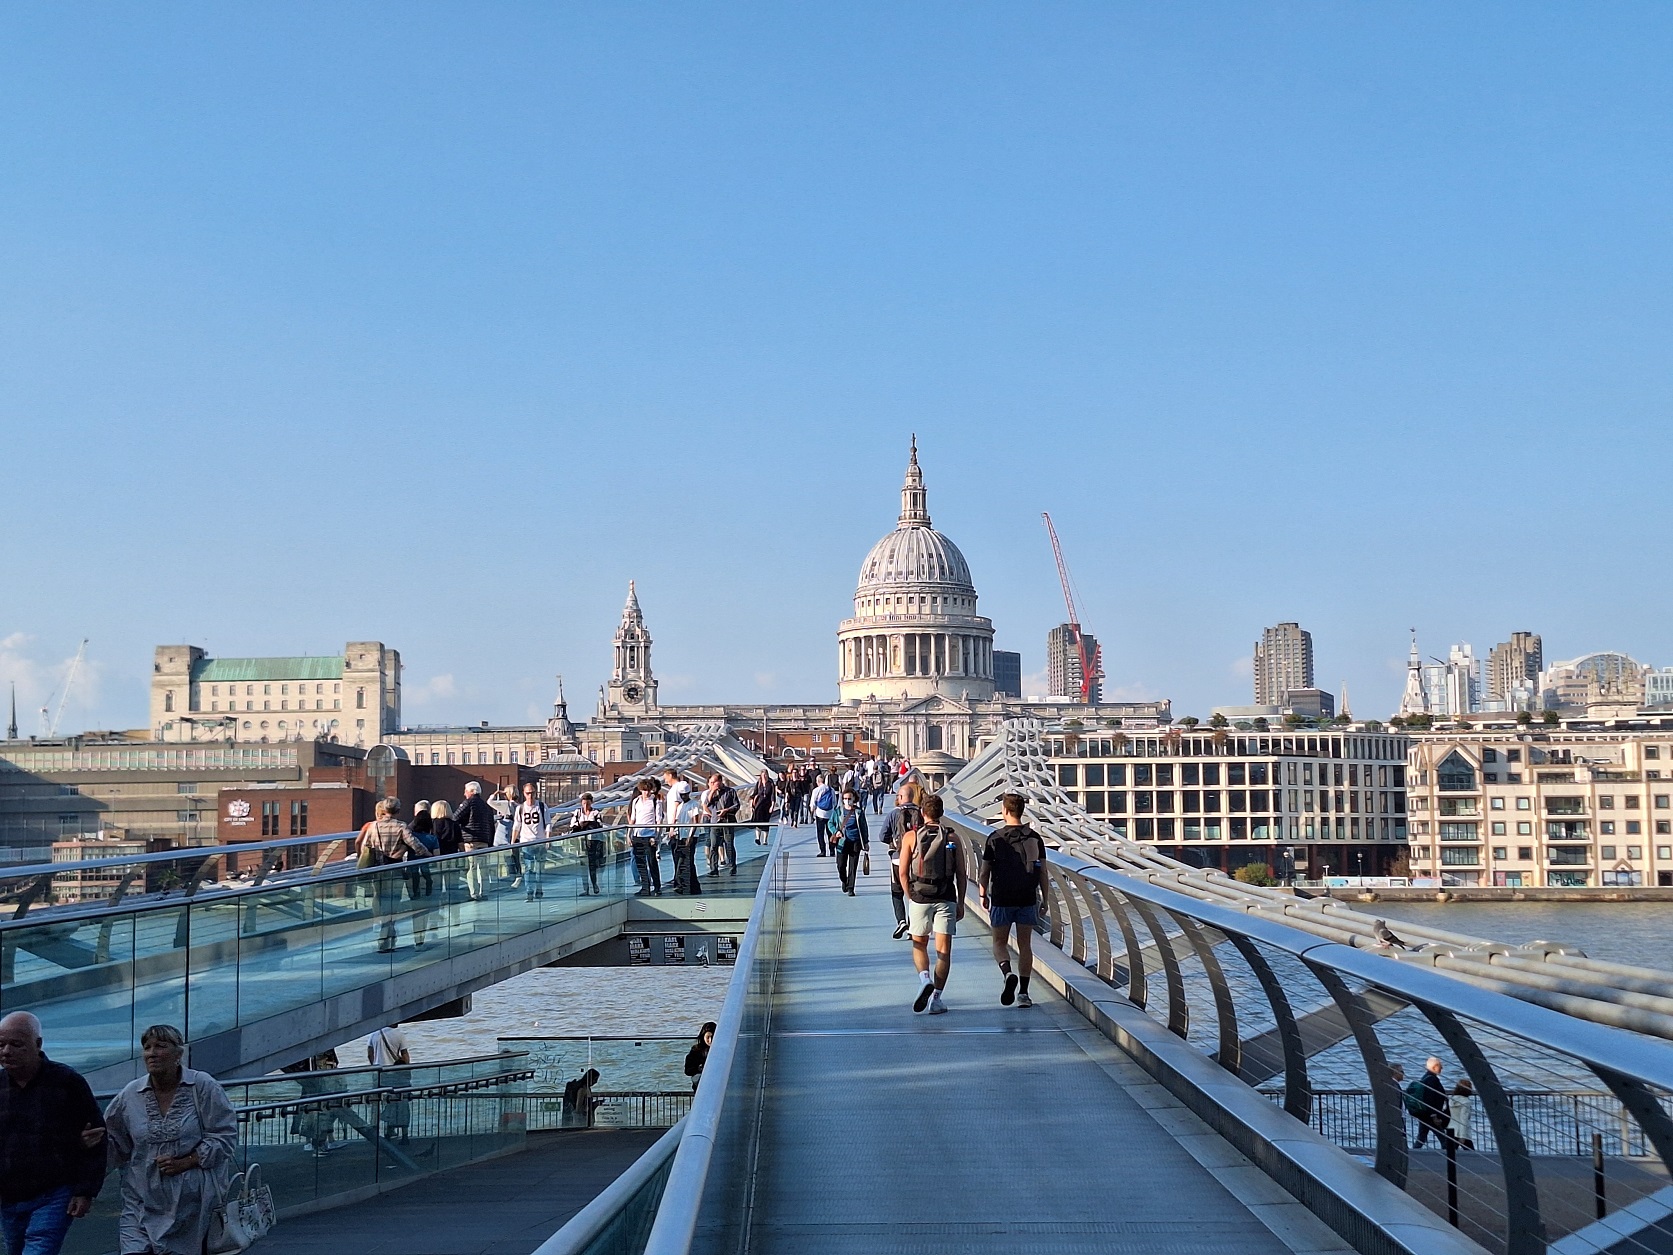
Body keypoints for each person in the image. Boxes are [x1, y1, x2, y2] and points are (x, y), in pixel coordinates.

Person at [104, 1024, 237, 1255]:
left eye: (160, 1046)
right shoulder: (130, 1094)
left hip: (192, 1208)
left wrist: (187, 1161)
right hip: (141, 1202)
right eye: (147, 1047)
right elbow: (114, 1143)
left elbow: (225, 1136)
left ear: (179, 1054)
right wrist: (89, 1146)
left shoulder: (202, 1086)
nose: (152, 1053)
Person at [0, 1011, 106, 1255]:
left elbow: (97, 1139)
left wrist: (85, 1190)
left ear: (37, 1044)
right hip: (10, 1196)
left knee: (38, 1249)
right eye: (1, 1044)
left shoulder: (67, 1082)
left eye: (16, 1044)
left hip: (54, 1191)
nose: (6, 1051)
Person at [979, 793, 1049, 1009]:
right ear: (1022, 811)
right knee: (1025, 944)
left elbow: (984, 872)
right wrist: (1045, 899)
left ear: (1005, 811)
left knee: (999, 943)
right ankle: (1024, 994)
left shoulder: (994, 838)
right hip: (1027, 897)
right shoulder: (1035, 838)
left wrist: (983, 894)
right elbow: (1043, 872)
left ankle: (1007, 972)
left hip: (1002, 897)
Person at [898, 794, 965, 1015]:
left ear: (923, 813)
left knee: (919, 943)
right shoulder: (953, 837)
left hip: (920, 896)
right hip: (946, 896)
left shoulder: (911, 836)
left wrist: (910, 895)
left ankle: (924, 978)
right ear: (942, 813)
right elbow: (961, 874)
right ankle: (936, 998)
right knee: (943, 951)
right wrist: (961, 902)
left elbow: (903, 872)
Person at [357, 798, 431, 952]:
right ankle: (386, 939)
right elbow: (415, 845)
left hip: (377, 869)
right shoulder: (401, 826)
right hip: (395, 869)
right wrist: (429, 854)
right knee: (392, 906)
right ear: (398, 811)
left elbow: (367, 846)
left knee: (382, 904)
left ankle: (386, 938)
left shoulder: (374, 826)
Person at [880, 781, 923, 939]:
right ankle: (913, 926)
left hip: (898, 859)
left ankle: (901, 921)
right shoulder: (921, 813)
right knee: (915, 892)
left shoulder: (893, 814)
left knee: (897, 892)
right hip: (917, 859)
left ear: (901, 797)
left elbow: (882, 836)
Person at [368, 1026, 412, 1143]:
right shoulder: (399, 1035)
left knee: (382, 1103)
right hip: (395, 1074)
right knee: (401, 1103)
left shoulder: (374, 1033)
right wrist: (406, 1071)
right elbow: (405, 1055)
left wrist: (375, 1065)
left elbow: (370, 1053)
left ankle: (380, 1131)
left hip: (379, 1074)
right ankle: (403, 1135)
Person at [455, 781, 496, 902]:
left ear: (472, 792)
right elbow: (491, 825)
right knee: (483, 867)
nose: (464, 794)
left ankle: (474, 893)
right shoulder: (486, 806)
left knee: (472, 867)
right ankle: (484, 891)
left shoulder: (468, 802)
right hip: (484, 840)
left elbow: (455, 817)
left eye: (466, 791)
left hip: (470, 840)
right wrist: (490, 842)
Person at [662, 770, 699, 895]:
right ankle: (689, 887)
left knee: (685, 861)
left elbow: (695, 821)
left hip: (689, 836)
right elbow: (677, 819)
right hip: (681, 836)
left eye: (684, 795)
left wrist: (690, 836)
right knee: (684, 861)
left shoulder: (693, 804)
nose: (683, 797)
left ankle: (684, 885)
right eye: (681, 795)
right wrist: (672, 829)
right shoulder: (681, 806)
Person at [513, 781, 549, 901]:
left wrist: (547, 839)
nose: (530, 796)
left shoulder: (542, 806)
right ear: (524, 794)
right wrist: (513, 842)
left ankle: (539, 889)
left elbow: (548, 824)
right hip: (526, 842)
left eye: (532, 793)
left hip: (540, 842)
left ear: (536, 793)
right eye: (528, 793)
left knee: (539, 868)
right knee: (528, 868)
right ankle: (529, 892)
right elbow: (516, 826)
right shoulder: (520, 808)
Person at [627, 780, 663, 897]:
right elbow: (633, 820)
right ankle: (645, 887)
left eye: (648, 790)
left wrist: (656, 837)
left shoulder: (656, 801)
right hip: (638, 835)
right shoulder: (636, 801)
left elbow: (659, 821)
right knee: (640, 863)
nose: (646, 793)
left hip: (650, 836)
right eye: (644, 790)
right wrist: (629, 835)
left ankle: (657, 887)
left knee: (652, 862)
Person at [831, 789, 869, 896]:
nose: (847, 801)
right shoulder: (838, 811)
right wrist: (836, 831)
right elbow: (830, 823)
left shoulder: (858, 812)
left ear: (853, 799)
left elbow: (864, 827)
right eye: (845, 799)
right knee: (841, 865)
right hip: (842, 843)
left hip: (855, 842)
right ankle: (844, 880)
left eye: (849, 798)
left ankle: (851, 888)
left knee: (853, 866)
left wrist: (865, 842)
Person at [703, 774, 740, 877]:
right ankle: (714, 869)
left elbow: (737, 805)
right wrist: (713, 791)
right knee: (714, 845)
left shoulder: (730, 791)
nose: (713, 784)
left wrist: (727, 810)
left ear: (720, 781)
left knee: (729, 844)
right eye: (711, 782)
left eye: (715, 782)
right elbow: (707, 804)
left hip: (727, 821)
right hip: (715, 821)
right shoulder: (711, 793)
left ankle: (732, 867)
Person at [1407, 1057, 1448, 1148]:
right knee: (1444, 1139)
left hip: (1424, 1114)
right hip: (1430, 1115)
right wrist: (1434, 1116)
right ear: (1435, 1067)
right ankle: (1448, 1159)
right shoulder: (1432, 1080)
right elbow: (1430, 1099)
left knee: (1421, 1137)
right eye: (1440, 1066)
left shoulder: (1425, 1078)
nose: (1442, 1068)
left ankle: (1413, 1154)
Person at [571, 794, 607, 895]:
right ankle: (585, 888)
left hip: (593, 841)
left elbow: (599, 825)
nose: (586, 806)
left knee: (592, 864)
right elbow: (573, 825)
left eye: (587, 803)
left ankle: (594, 884)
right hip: (581, 841)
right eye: (584, 804)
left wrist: (585, 824)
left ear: (591, 802)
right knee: (583, 865)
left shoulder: (596, 813)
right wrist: (586, 824)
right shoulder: (577, 813)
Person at [810, 774, 837, 857]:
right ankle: (832, 850)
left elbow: (812, 803)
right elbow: (834, 802)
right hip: (830, 813)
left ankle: (823, 851)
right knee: (830, 832)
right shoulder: (831, 789)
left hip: (820, 814)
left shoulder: (816, 790)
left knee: (820, 833)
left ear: (818, 781)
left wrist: (812, 813)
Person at [683, 1023, 716, 1091]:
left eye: (713, 1037)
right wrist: (699, 1068)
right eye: (708, 1037)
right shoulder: (696, 1051)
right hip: (699, 1087)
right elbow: (688, 1071)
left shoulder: (722, 1049)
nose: (710, 1040)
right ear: (703, 1036)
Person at [747, 769, 775, 847]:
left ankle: (765, 840)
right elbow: (755, 792)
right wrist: (751, 800)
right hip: (759, 804)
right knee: (758, 820)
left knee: (766, 821)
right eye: (763, 775)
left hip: (767, 804)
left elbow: (773, 794)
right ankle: (757, 838)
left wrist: (772, 805)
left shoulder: (771, 783)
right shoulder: (759, 783)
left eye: (765, 775)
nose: (764, 777)